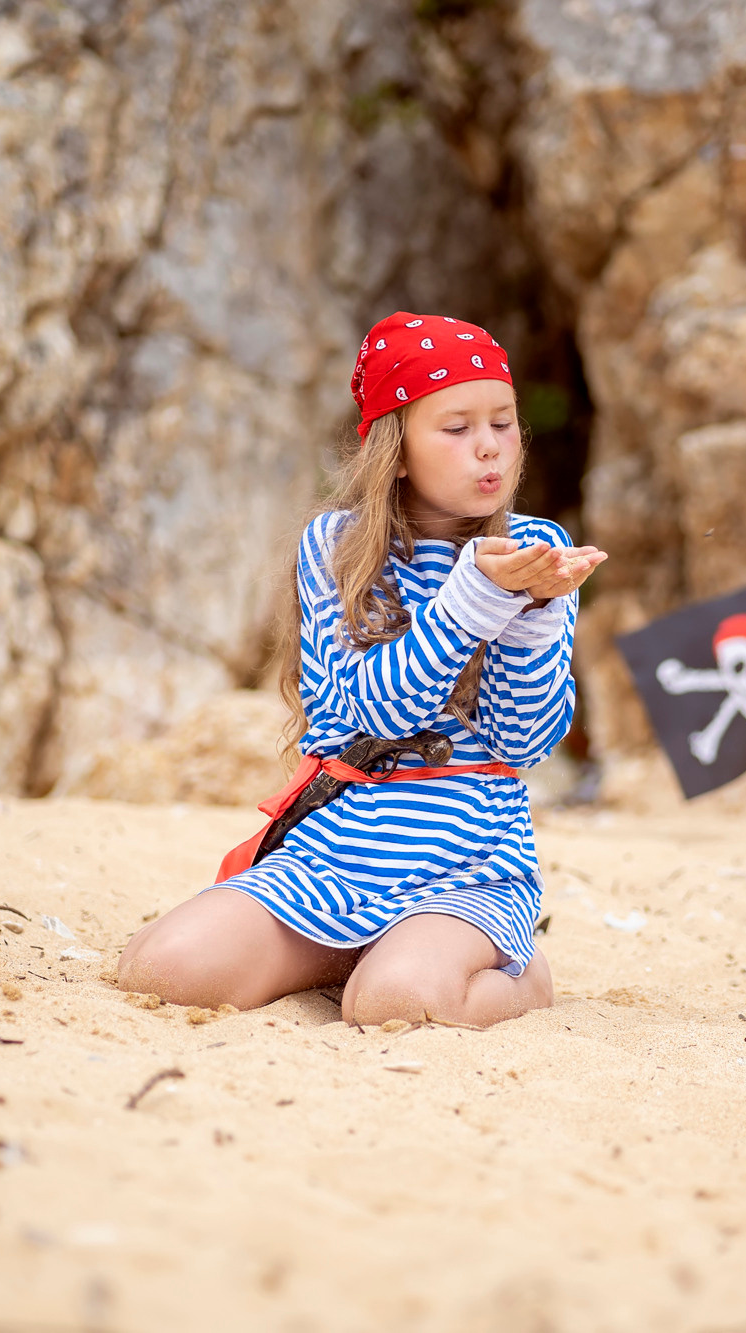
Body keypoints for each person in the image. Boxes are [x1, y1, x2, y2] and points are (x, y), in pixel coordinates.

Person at [115, 311, 606, 1027]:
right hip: (336, 853)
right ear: (397, 449)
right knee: (159, 969)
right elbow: (366, 714)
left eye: (503, 423)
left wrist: (531, 611)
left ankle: (518, 972)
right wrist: (473, 601)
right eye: (457, 427)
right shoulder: (339, 546)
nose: (489, 448)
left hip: (466, 864)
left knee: (394, 1004)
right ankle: (349, 953)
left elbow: (523, 741)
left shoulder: (535, 547)